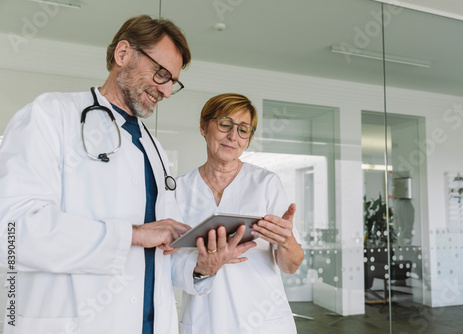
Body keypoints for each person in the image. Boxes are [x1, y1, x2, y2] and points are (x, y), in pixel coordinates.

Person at [0, 15, 253, 334]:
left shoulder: (155, 149)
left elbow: (164, 254)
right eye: (161, 74)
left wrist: (204, 266)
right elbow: (10, 231)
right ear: (123, 54)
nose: (166, 91)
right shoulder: (51, 116)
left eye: (172, 81)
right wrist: (131, 234)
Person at [173, 93, 305, 333]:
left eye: (244, 130)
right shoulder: (179, 189)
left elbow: (291, 266)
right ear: (204, 127)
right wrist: (203, 266)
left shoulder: (266, 183)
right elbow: (166, 262)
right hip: (205, 320)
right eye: (225, 124)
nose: (233, 136)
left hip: (263, 322)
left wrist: (287, 241)